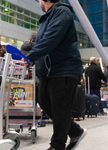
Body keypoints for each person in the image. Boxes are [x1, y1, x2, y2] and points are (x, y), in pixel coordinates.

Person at [25, 0, 87, 149]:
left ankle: (57, 145)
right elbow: (43, 43)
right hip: (48, 72)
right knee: (45, 103)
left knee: (60, 108)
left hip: (64, 69)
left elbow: (51, 39)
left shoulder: (61, 12)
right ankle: (75, 131)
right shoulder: (47, 17)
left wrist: (29, 57)